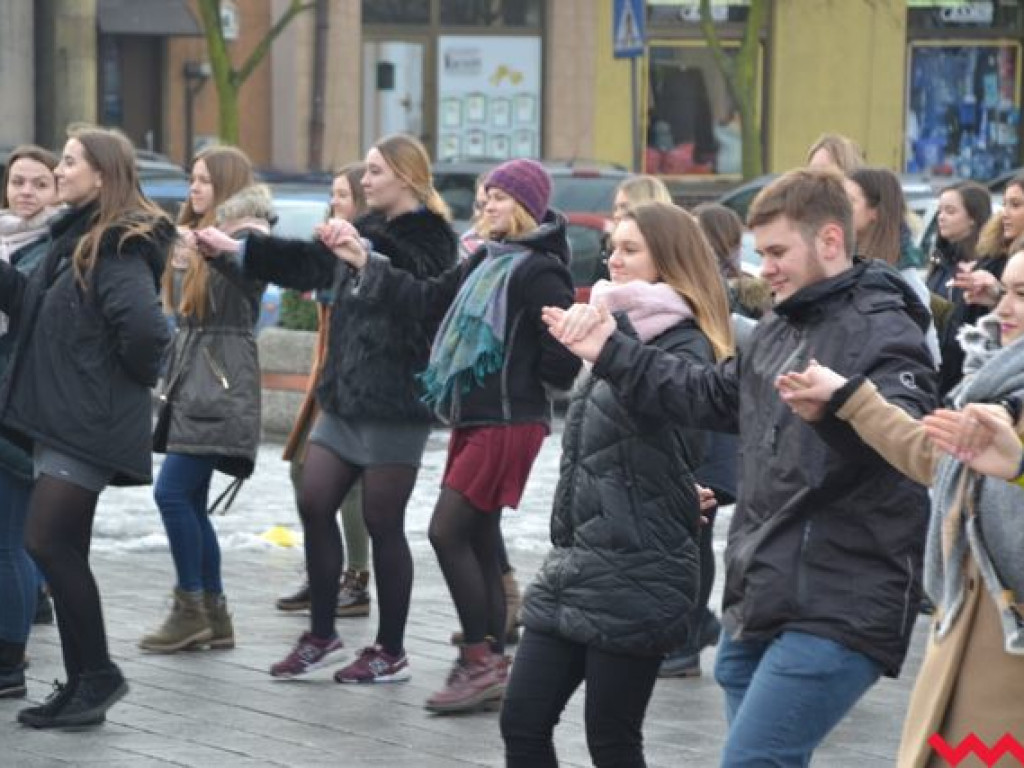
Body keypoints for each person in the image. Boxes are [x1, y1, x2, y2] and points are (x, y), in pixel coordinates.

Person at [541, 168, 937, 766]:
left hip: (842, 598)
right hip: (763, 596)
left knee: (751, 759)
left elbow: (912, 448)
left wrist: (845, 401)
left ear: (830, 242)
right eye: (760, 252)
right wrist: (613, 353)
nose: (765, 267)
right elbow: (708, 395)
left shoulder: (883, 327)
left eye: (777, 252)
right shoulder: (783, 324)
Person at [320, 157, 582, 713]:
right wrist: (365, 259)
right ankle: (488, 660)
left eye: (500, 198)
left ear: (527, 207)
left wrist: (526, 364)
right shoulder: (486, 259)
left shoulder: (539, 270)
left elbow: (562, 366)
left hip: (509, 421)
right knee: (478, 536)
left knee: (447, 531)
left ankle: (481, 660)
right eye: (485, 195)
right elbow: (425, 300)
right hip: (477, 417)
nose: (486, 204)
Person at [196, 133, 457, 683]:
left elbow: (419, 287)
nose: (365, 181)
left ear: (406, 178)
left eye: (375, 171)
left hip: (395, 402)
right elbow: (306, 263)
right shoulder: (365, 227)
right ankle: (322, 635)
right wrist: (233, 251)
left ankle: (391, 650)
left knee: (384, 521)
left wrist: (366, 256)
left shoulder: (433, 238)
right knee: (316, 501)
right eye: (365, 170)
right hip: (343, 397)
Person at [498, 202, 731, 765]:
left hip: (640, 565)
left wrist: (610, 338)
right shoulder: (604, 328)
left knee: (611, 738)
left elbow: (677, 421)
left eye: (631, 250)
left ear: (668, 260)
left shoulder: (681, 342)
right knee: (522, 721)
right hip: (578, 558)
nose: (614, 260)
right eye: (613, 248)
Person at [775, 248, 1024, 767]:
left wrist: (1019, 468)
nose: (1004, 309)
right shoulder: (997, 388)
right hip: (964, 638)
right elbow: (940, 459)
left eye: (1021, 295)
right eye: (1005, 292)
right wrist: (849, 397)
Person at [0, 126, 173, 727]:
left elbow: (148, 334)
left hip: (87, 421)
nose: (62, 170)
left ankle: (97, 674)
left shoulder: (119, 244)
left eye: (70, 162)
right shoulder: (75, 236)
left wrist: (111, 382)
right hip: (65, 417)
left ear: (102, 175)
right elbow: (30, 307)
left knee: (44, 541)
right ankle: (82, 685)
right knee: (63, 547)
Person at [138, 146, 272, 654]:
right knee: (189, 498)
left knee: (171, 494)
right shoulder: (195, 238)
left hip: (219, 377)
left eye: (203, 181)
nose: (193, 189)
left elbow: (250, 278)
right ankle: (212, 614)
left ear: (228, 186)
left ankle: (191, 606)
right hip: (195, 374)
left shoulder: (245, 238)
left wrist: (212, 250)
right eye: (191, 179)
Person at [277, 162, 373, 619]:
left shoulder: (369, 250)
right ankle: (324, 570)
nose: (335, 202)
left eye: (343, 194)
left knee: (347, 481)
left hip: (355, 381)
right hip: (325, 376)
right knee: (301, 470)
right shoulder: (330, 251)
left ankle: (356, 578)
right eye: (333, 194)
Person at [0, 145, 61, 699]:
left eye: (39, 184)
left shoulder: (53, 247)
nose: (25, 193)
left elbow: (28, 311)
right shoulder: (4, 239)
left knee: (9, 542)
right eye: (18, 182)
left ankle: (10, 665)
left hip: (20, 412)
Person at [844, 167, 941, 367]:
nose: (841, 210)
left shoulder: (903, 277)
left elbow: (928, 355)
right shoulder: (845, 261)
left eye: (850, 202)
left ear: (875, 211)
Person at [925, 181, 992, 396]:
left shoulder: (991, 269)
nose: (941, 217)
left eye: (950, 211)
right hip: (932, 377)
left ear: (973, 218)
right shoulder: (940, 264)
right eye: (940, 211)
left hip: (969, 381)